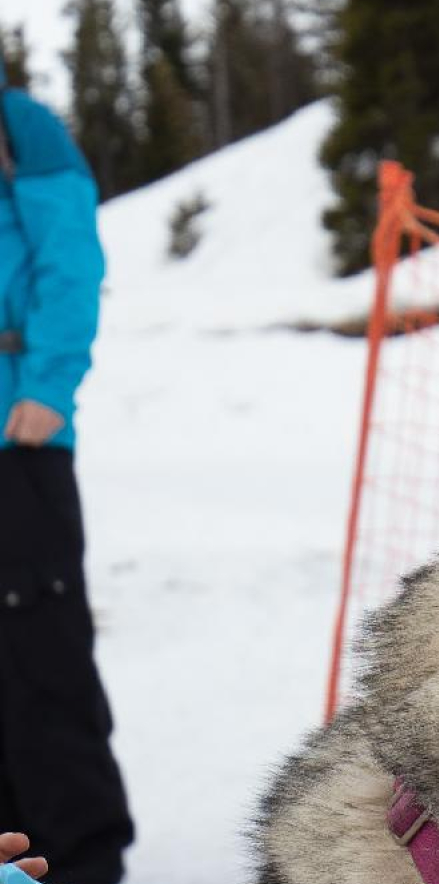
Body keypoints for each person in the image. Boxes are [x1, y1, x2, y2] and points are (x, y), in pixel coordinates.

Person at [1, 67, 134, 884]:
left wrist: (49, 386)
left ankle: (82, 859)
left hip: (19, 443)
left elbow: (69, 260)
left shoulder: (21, 128)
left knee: (41, 657)